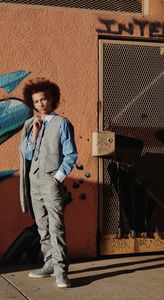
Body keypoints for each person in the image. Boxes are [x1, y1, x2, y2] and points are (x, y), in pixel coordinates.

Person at [19, 78, 78, 288]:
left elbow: (71, 155)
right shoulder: (30, 125)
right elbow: (26, 154)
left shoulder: (62, 123)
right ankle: (49, 263)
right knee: (42, 224)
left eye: (43, 99)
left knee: (56, 226)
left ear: (52, 99)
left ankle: (61, 271)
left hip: (50, 180)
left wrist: (57, 178)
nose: (40, 104)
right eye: (36, 101)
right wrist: (34, 133)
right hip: (33, 181)